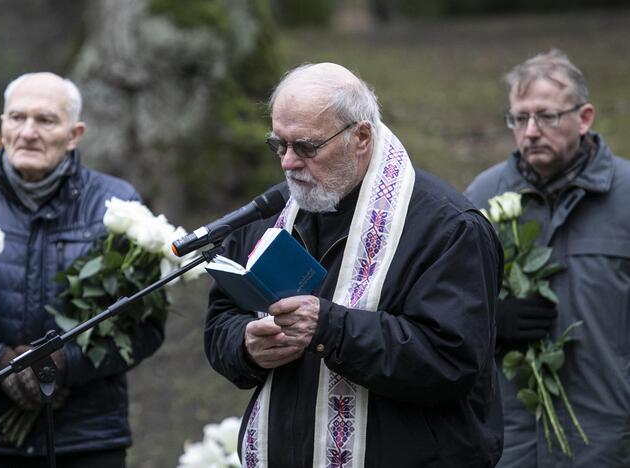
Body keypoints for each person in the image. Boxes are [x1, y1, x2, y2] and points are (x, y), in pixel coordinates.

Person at [204, 62, 504, 467]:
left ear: (361, 136)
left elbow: (451, 362)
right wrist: (247, 346)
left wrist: (329, 328)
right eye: (279, 144)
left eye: (306, 147)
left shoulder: (449, 227)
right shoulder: (271, 214)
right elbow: (223, 316)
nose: (288, 163)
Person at [0, 72, 164, 468]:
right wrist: (0, 363)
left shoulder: (117, 206)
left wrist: (65, 364)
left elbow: (143, 324)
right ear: (2, 124)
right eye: (17, 118)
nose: (28, 132)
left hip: (87, 437)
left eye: (46, 120)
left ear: (75, 134)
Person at [466, 49, 630, 467]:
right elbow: (442, 310)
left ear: (585, 117)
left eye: (547, 116)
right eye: (519, 118)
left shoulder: (626, 196)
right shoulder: (482, 198)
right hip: (511, 441)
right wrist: (491, 323)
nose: (531, 131)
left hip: (608, 437)